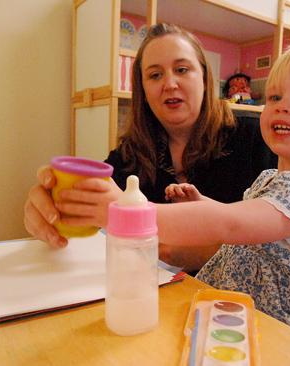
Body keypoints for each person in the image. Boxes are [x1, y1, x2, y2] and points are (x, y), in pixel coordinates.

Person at [81, 43, 290, 353]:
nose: (282, 106)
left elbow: (231, 225)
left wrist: (125, 213)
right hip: (243, 318)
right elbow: (245, 221)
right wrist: (204, 204)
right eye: (275, 96)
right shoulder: (271, 178)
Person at [23, 23, 276, 271]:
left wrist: (203, 252)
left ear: (206, 79)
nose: (170, 83)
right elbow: (91, 207)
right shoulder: (130, 154)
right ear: (143, 89)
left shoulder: (257, 138)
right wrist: (54, 207)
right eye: (155, 75)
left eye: (182, 69)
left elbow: (288, 246)